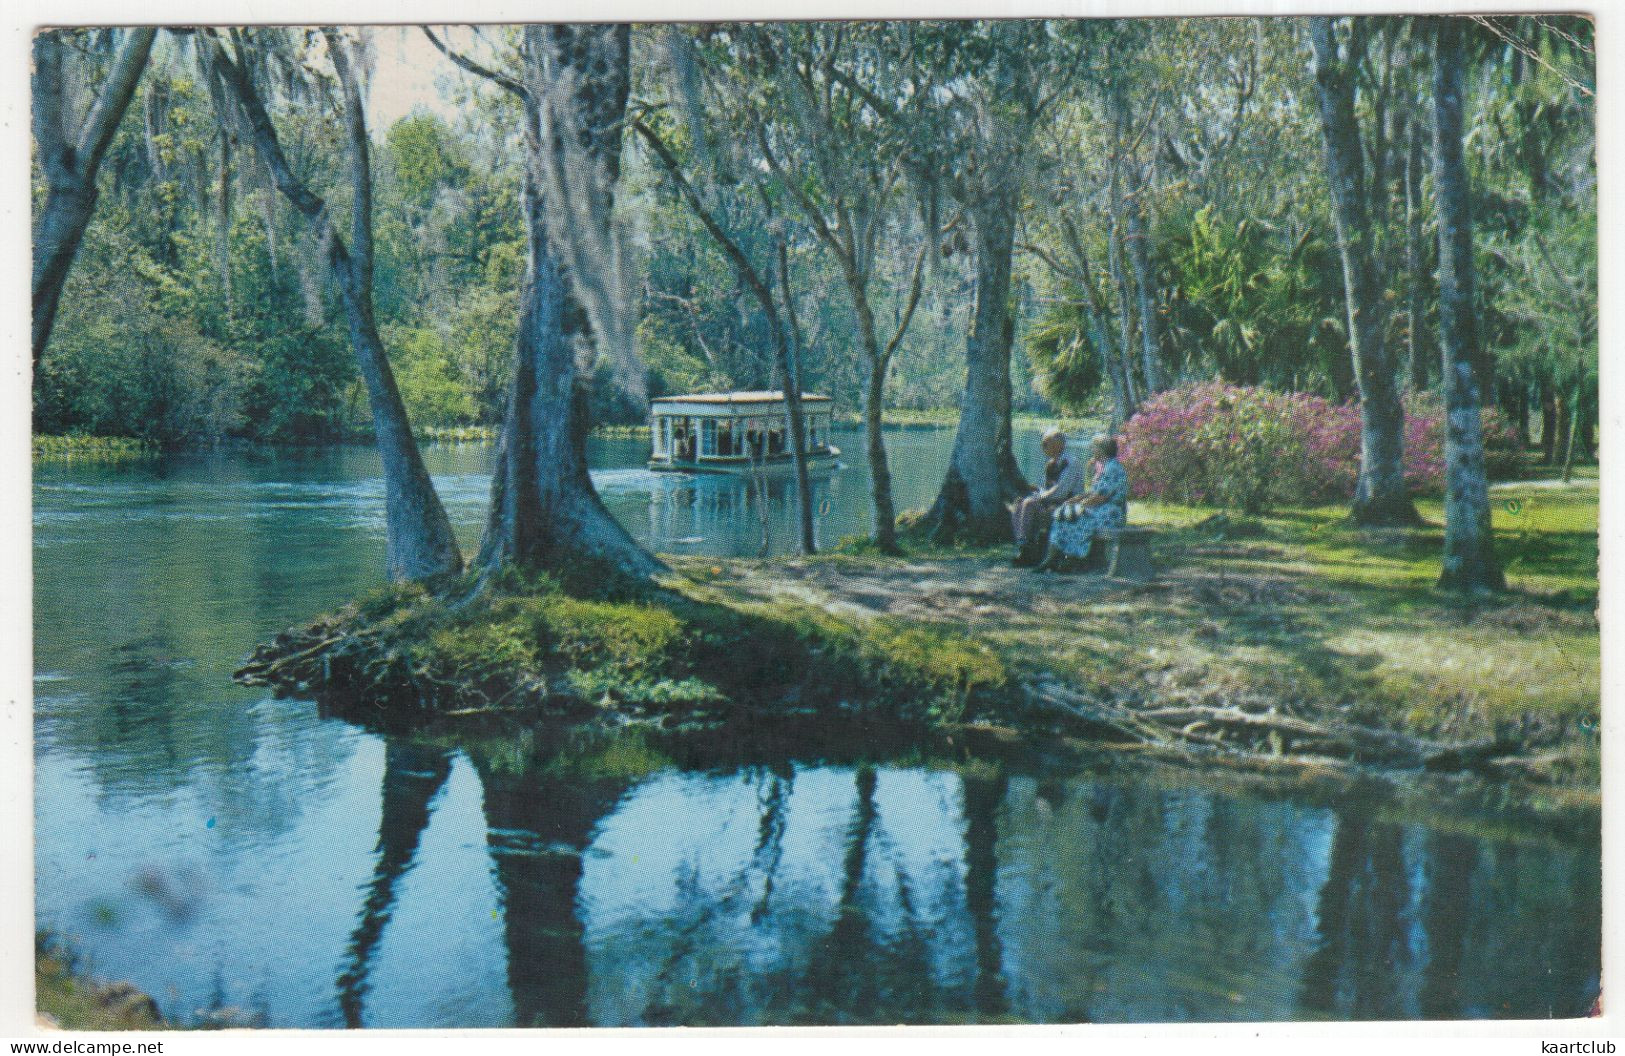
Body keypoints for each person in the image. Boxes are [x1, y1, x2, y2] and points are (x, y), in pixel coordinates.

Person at [1040, 435, 1129, 572]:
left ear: (1101, 449)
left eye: (1094, 447)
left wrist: (1080, 506)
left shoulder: (1113, 468)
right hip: (1100, 509)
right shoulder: (1104, 467)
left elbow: (1101, 497)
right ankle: (1052, 559)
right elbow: (1093, 492)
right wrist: (1075, 500)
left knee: (1075, 517)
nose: (1092, 450)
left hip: (1111, 512)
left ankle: (1071, 559)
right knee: (1063, 516)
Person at [1009, 428, 1087, 566]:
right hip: (1052, 501)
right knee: (1019, 502)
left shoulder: (1071, 463)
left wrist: (1039, 497)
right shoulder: (1051, 464)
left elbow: (1061, 491)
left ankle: (1025, 549)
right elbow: (1046, 489)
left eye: (1046, 443)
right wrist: (1036, 491)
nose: (1042, 447)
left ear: (1058, 445)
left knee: (1029, 504)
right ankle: (1023, 546)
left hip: (1067, 503)